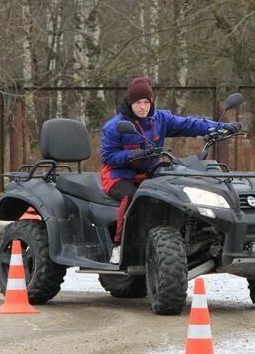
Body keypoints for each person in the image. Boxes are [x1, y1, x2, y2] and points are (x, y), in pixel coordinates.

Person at [100, 76, 240, 264]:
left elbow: (190, 124)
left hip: (150, 172)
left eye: (146, 102)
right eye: (138, 103)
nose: (143, 107)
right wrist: (134, 155)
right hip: (119, 175)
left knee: (178, 183)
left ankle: (182, 235)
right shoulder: (115, 126)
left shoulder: (160, 118)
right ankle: (119, 246)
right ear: (130, 103)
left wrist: (222, 128)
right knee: (130, 197)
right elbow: (108, 157)